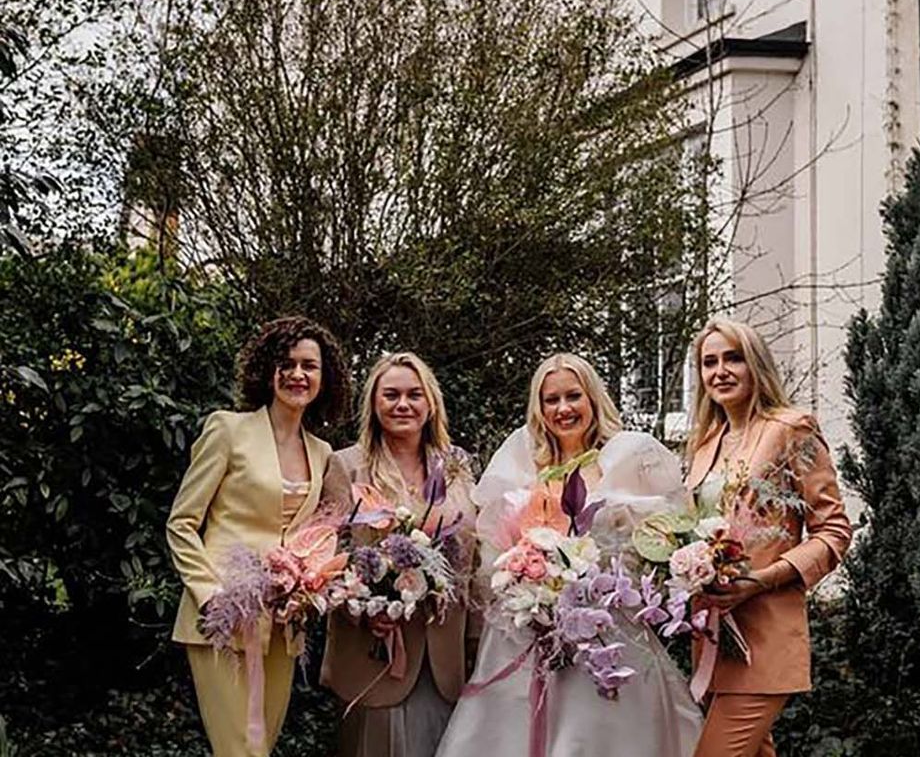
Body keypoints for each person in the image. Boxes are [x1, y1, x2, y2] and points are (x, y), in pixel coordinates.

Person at [435, 352, 702, 757]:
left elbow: (655, 546)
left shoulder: (624, 460)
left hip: (605, 632)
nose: (563, 409)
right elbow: (493, 554)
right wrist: (528, 587)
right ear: (539, 408)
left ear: (592, 399)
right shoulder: (523, 465)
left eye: (573, 396)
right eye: (552, 400)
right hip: (528, 631)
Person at [166, 316, 350, 757]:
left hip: (283, 625)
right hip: (224, 618)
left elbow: (318, 535)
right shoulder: (227, 429)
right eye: (287, 363)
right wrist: (211, 597)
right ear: (268, 370)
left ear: (324, 378)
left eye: (309, 366)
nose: (297, 374)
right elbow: (182, 523)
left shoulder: (322, 453)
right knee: (239, 750)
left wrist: (308, 585)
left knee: (261, 746)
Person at [685, 317, 853, 757]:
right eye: (709, 362)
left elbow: (834, 530)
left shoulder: (791, 429)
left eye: (733, 358)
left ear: (755, 364)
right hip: (713, 639)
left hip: (764, 636)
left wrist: (765, 578)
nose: (720, 371)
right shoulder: (705, 444)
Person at [320, 351, 477, 757]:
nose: (403, 404)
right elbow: (328, 556)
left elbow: (475, 555)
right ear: (374, 403)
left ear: (431, 403)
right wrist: (363, 610)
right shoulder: (346, 466)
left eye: (414, 395)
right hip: (377, 654)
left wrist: (477, 641)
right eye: (391, 395)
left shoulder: (456, 465)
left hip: (445, 656)